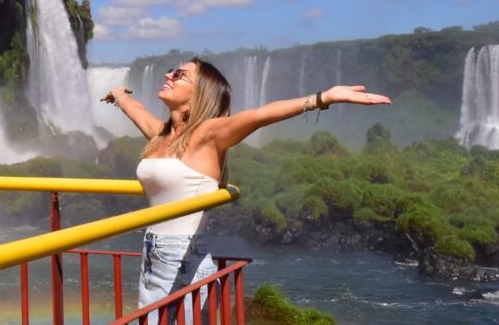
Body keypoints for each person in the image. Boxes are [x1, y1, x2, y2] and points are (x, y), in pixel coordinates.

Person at [103, 57, 391, 324]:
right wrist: (120, 95)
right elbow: (136, 110)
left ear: (200, 94)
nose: (168, 75)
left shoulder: (207, 134)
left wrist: (321, 99)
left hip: (182, 260)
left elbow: (259, 115)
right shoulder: (163, 136)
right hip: (154, 255)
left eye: (180, 75)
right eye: (171, 71)